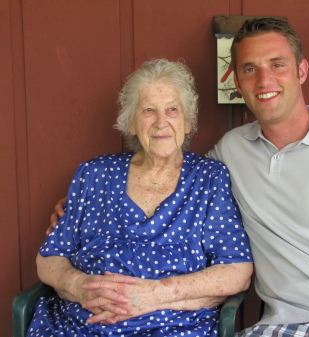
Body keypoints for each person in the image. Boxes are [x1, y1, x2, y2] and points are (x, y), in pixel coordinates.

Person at [50, 18, 309, 337]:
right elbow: (169, 172)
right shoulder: (231, 152)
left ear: (301, 70)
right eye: (249, 68)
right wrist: (79, 207)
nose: (264, 79)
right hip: (286, 326)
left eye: (277, 64)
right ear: (237, 81)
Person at [31, 59, 253, 337]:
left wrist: (156, 294)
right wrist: (80, 286)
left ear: (186, 123)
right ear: (132, 124)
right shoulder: (94, 174)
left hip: (175, 328)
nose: (161, 122)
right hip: (80, 326)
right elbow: (50, 258)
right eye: (148, 110)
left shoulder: (208, 178)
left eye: (172, 109)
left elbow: (237, 270)